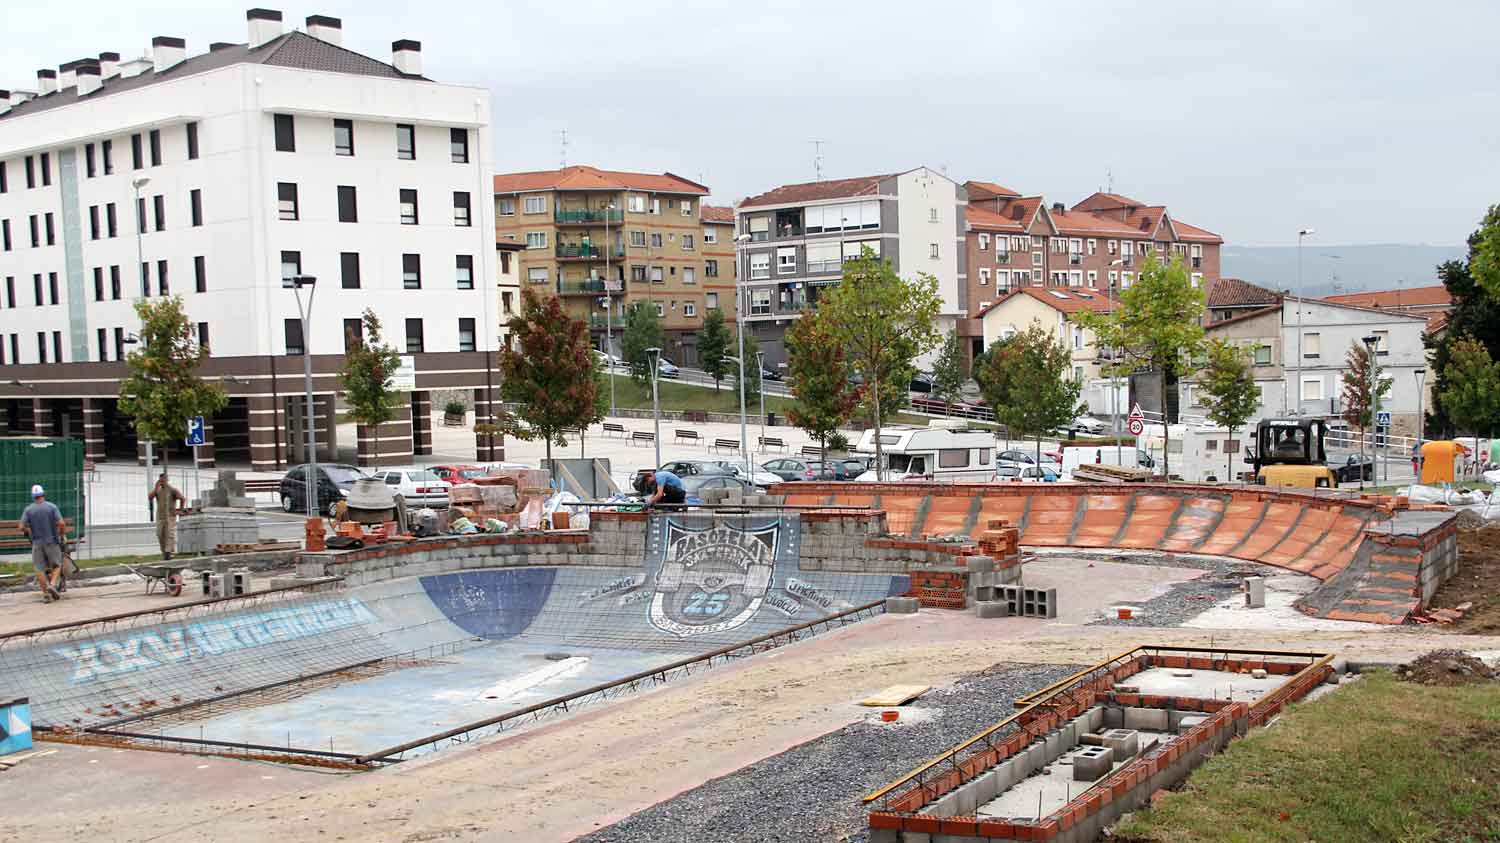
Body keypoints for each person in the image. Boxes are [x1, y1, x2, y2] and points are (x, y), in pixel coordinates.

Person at [19, 484, 67, 603]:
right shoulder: (52, 507)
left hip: (37, 543)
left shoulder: (28, 509)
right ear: (43, 494)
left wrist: (28, 531)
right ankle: (52, 584)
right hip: (52, 541)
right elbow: (61, 523)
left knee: (39, 569)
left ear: (33, 496)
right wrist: (61, 535)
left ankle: (46, 594)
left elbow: (21, 527)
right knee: (57, 565)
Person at [149, 471, 187, 560]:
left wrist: (179, 510)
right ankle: (164, 552)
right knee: (160, 534)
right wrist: (155, 488)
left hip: (170, 515)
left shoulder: (172, 490)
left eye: (163, 480)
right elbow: (150, 497)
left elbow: (182, 498)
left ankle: (169, 552)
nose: (162, 482)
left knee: (169, 534)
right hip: (160, 516)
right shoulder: (158, 490)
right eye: (160, 480)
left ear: (167, 480)